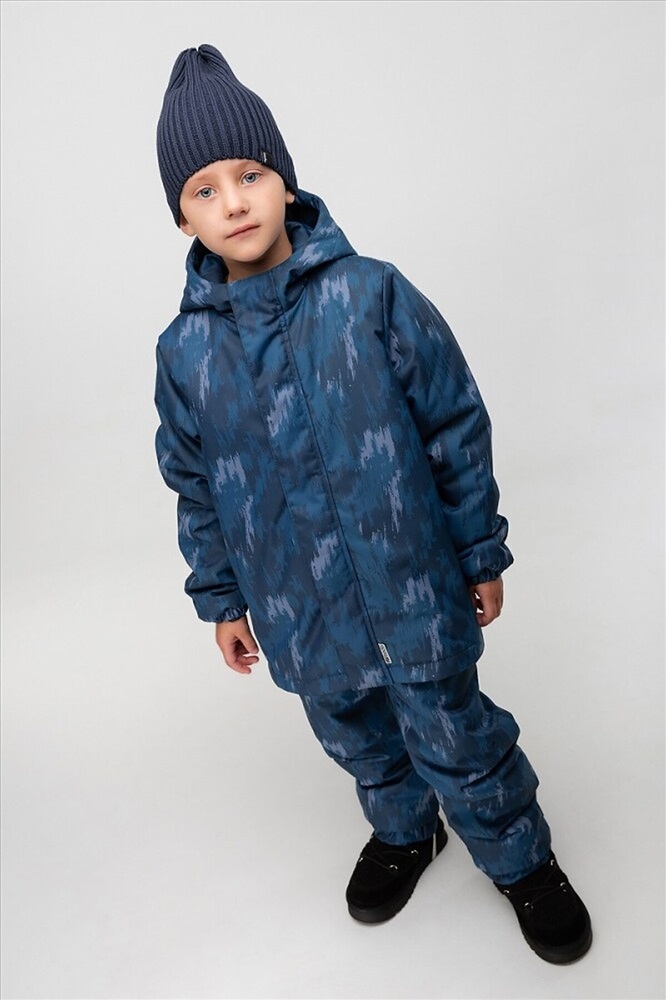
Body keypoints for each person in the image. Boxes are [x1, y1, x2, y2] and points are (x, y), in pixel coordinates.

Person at [153, 43, 592, 965]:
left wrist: (479, 552)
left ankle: (523, 860)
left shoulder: (369, 295)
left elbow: (453, 424)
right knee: (356, 737)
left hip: (411, 586)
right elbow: (194, 486)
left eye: (250, 174)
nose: (233, 202)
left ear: (284, 180)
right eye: (204, 189)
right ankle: (405, 831)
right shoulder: (185, 354)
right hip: (297, 609)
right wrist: (222, 599)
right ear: (180, 215)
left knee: (456, 731)